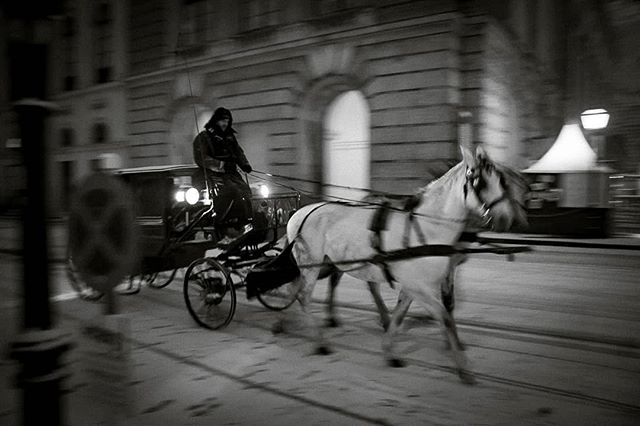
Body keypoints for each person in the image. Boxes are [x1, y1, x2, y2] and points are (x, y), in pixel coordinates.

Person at [193, 107, 253, 243]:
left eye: (227, 120)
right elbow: (201, 158)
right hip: (213, 175)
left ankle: (245, 221)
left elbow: (238, 152)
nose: (225, 123)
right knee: (231, 191)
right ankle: (223, 226)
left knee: (246, 191)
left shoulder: (229, 137)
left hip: (231, 174)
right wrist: (220, 164)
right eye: (222, 120)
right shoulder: (204, 138)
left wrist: (245, 165)